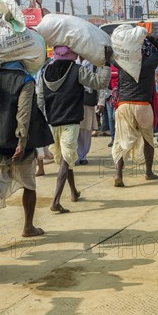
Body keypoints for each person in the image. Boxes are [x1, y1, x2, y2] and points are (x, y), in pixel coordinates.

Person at [0, 59, 53, 249]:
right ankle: (28, 227)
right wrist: (22, 140)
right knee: (29, 184)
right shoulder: (26, 80)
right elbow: (24, 112)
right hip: (18, 143)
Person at [38, 45, 111, 213]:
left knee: (67, 156)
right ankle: (55, 201)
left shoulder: (45, 71)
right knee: (66, 158)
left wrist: (42, 120)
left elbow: (40, 98)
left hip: (53, 122)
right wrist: (106, 64)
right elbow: (100, 83)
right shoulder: (77, 70)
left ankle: (73, 192)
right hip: (70, 121)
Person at [113, 35, 158, 187]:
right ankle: (148, 172)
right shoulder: (148, 63)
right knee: (148, 140)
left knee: (121, 141)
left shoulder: (121, 63)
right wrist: (147, 35)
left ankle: (118, 174)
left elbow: (107, 54)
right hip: (143, 105)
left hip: (124, 105)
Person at [76, 60, 99, 165]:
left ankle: (83, 155)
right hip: (74, 101)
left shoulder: (93, 63)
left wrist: (101, 102)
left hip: (88, 101)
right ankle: (76, 155)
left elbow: (99, 82)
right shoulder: (73, 61)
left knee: (86, 130)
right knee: (75, 130)